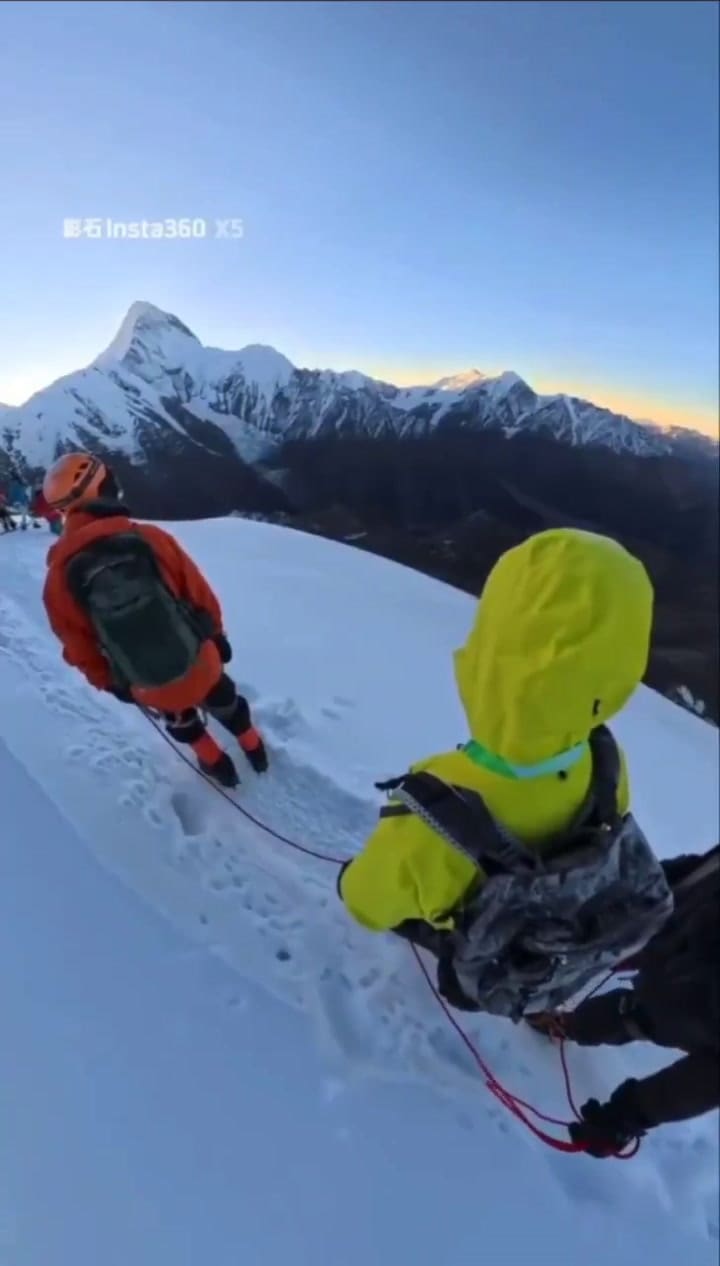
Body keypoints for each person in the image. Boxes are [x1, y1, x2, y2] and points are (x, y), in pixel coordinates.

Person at [339, 528, 671, 1020]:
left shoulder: (437, 809)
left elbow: (366, 903)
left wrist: (349, 883)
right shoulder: (605, 759)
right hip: (553, 934)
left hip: (481, 959)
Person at [41, 451, 268, 788]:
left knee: (178, 714)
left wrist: (112, 683)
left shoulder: (58, 581)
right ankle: (253, 747)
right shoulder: (149, 539)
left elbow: (79, 649)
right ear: (102, 489)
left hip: (146, 683)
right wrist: (216, 636)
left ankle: (217, 765)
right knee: (221, 694)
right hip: (200, 661)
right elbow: (199, 594)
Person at [527, 845, 719, 1157]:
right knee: (634, 1013)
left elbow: (707, 1082)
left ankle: (563, 1023)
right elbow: (697, 871)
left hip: (676, 998)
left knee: (636, 1015)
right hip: (658, 940)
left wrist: (625, 1116)